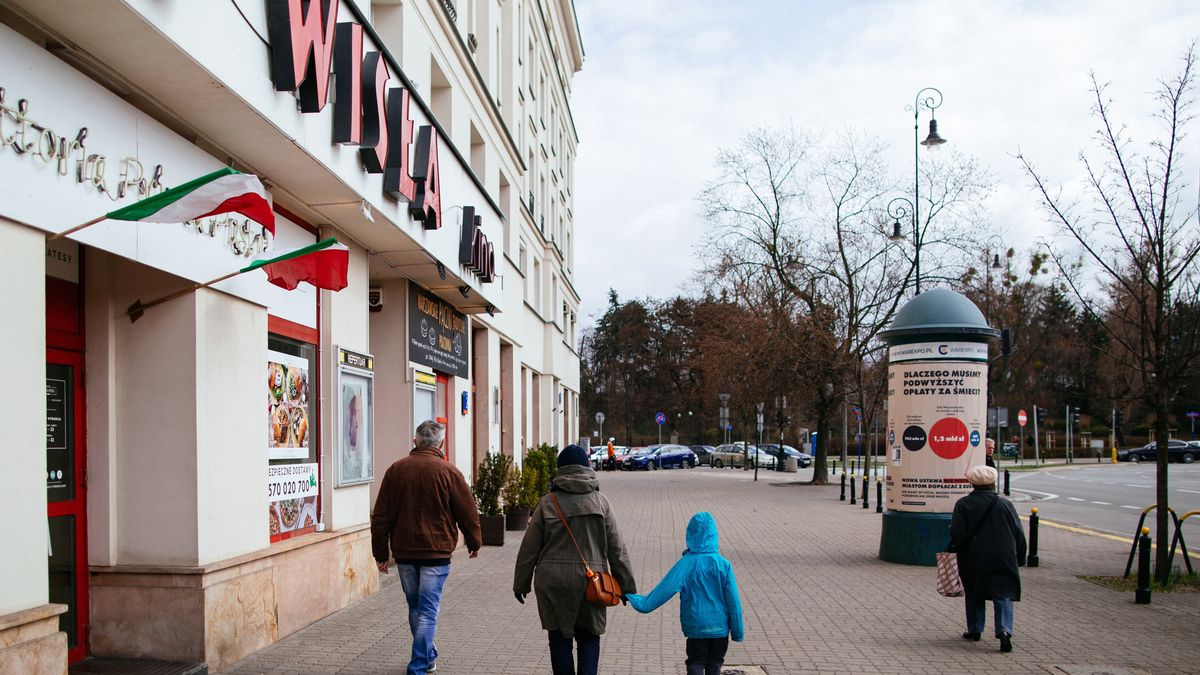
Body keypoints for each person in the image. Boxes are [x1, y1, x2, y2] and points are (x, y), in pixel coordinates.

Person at [513, 445, 637, 675]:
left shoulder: (548, 502)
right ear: (587, 467)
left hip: (553, 582)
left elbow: (529, 548)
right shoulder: (601, 502)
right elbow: (617, 548)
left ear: (560, 468)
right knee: (589, 637)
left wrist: (521, 583)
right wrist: (627, 587)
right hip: (593, 583)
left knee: (559, 640)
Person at [371, 420, 482, 675]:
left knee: (416, 608)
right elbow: (468, 512)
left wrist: (381, 553)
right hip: (436, 552)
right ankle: (419, 665)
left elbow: (381, 516)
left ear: (415, 441)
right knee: (427, 611)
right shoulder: (449, 472)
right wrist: (474, 541)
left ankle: (427, 657)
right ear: (440, 444)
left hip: (405, 552)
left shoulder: (396, 470)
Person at [625, 512, 744, 675]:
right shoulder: (723, 565)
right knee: (715, 665)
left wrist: (635, 599)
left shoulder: (686, 564)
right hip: (720, 629)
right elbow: (734, 603)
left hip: (696, 627)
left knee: (695, 662)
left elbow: (663, 590)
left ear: (691, 535)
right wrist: (737, 632)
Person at [949, 465, 1027, 653]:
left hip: (974, 555)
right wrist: (1020, 556)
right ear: (993, 483)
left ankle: (975, 629)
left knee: (974, 589)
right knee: (1003, 591)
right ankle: (1004, 631)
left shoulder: (963, 504)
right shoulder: (1005, 504)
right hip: (1004, 555)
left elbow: (957, 533)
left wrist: (956, 550)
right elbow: (1018, 532)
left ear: (972, 483)